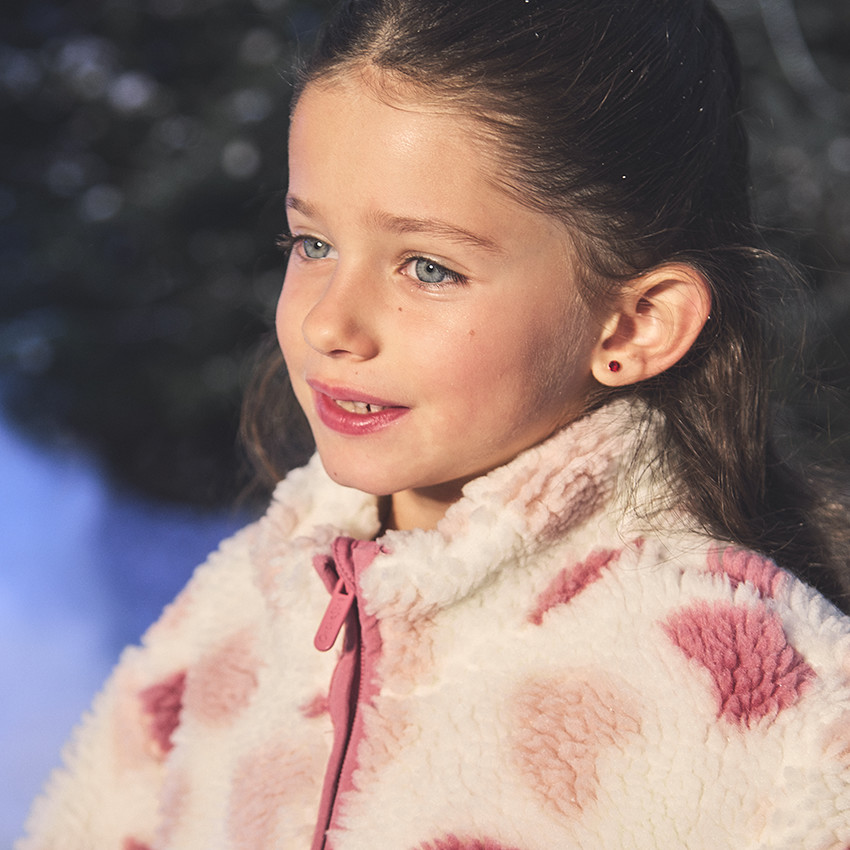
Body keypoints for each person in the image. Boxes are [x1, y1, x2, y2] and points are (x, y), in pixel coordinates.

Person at [18, 0, 850, 847]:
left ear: (634, 324)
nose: (329, 326)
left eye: (427, 267)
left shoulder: (782, 727)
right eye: (312, 245)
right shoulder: (229, 622)